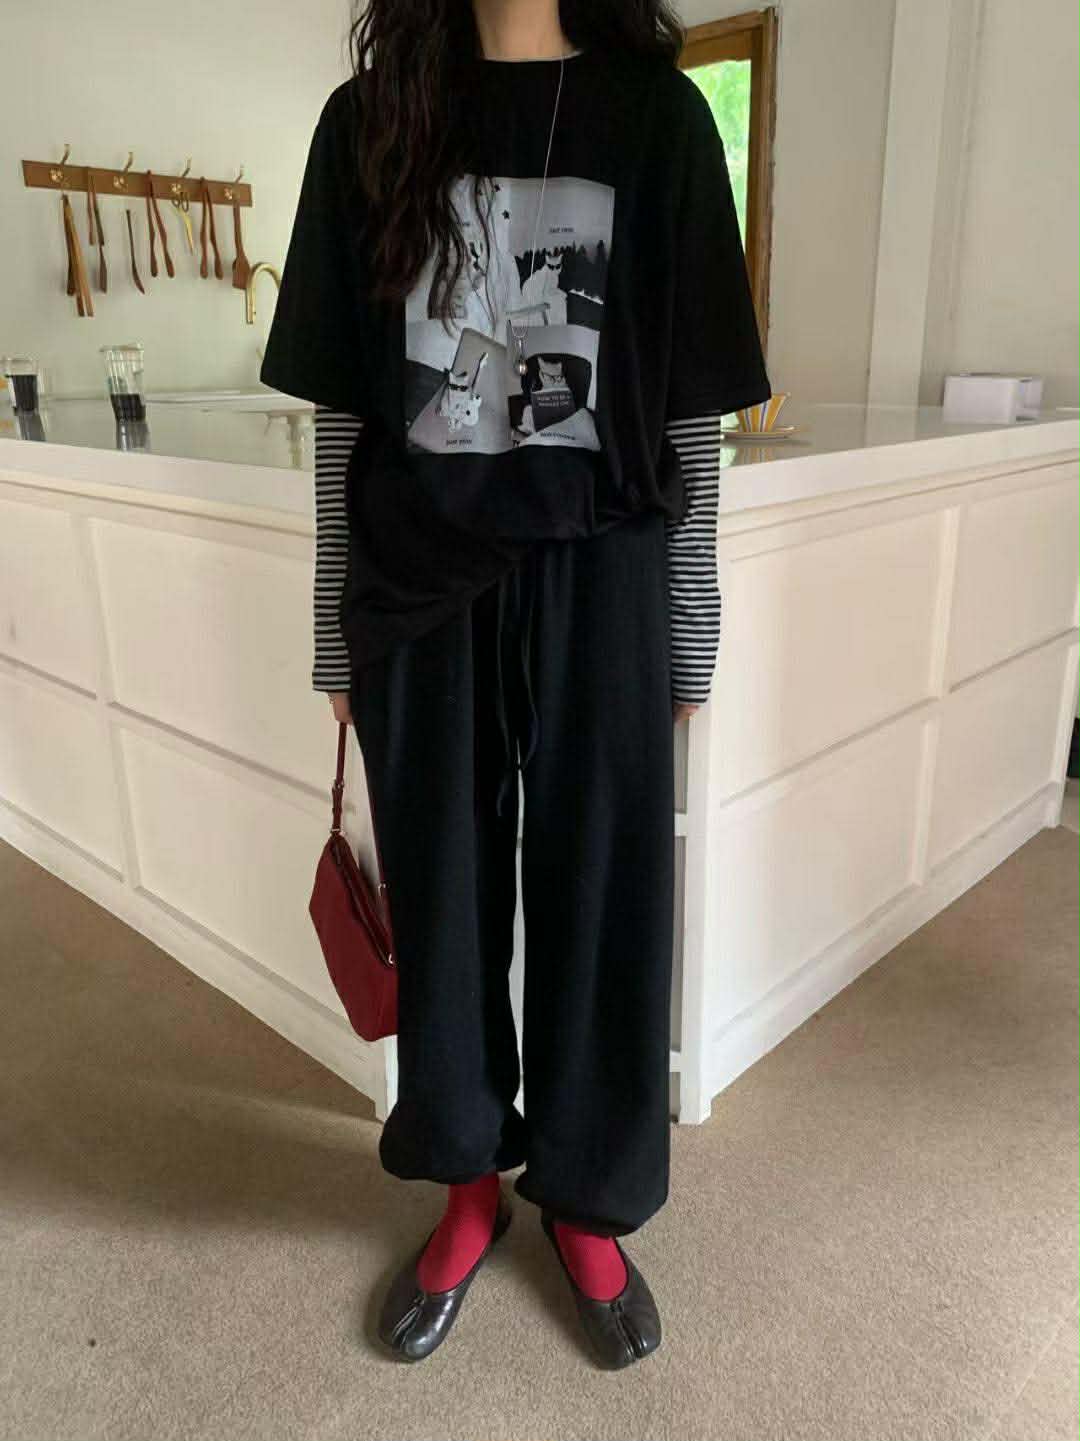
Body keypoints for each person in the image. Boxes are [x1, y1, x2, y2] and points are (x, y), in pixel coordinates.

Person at [260, 0, 771, 1370]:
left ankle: (589, 1201)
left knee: (605, 892)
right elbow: (345, 414)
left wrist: (691, 616)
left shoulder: (660, 121)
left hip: (605, 572)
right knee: (442, 896)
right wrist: (334, 628)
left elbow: (692, 409)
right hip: (419, 580)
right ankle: (467, 1184)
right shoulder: (369, 125)